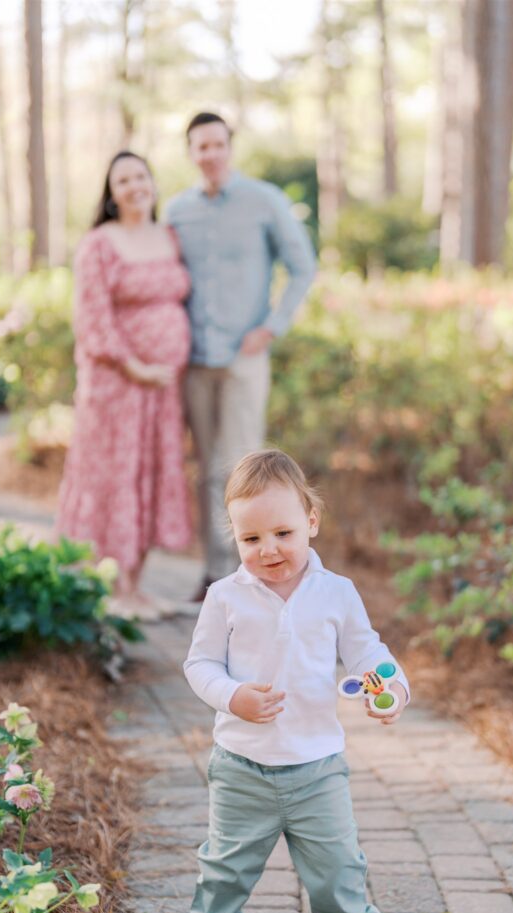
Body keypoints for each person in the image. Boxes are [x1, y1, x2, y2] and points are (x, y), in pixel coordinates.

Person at [183, 449, 410, 913]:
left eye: (283, 532)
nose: (269, 550)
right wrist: (232, 695)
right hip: (242, 766)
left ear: (312, 521)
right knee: (225, 865)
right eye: (251, 539)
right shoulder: (225, 596)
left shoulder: (336, 593)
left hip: (317, 767)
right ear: (234, 538)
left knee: (337, 864)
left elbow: (366, 653)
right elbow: (199, 664)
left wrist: (393, 687)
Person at [165, 113, 317, 601]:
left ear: (229, 147)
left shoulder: (263, 200)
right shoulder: (177, 211)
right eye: (199, 147)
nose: (209, 154)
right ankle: (214, 576)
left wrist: (272, 326)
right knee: (208, 468)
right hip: (195, 359)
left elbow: (302, 267)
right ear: (191, 153)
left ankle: (251, 578)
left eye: (216, 144)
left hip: (244, 358)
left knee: (243, 471)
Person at [56, 151, 192, 620]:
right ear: (111, 194)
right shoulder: (99, 243)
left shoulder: (168, 236)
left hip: (162, 390)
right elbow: (93, 318)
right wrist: (136, 367)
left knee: (150, 477)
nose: (134, 185)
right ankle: (109, 586)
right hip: (117, 385)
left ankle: (136, 587)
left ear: (153, 183)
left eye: (140, 176)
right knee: (114, 477)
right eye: (123, 180)